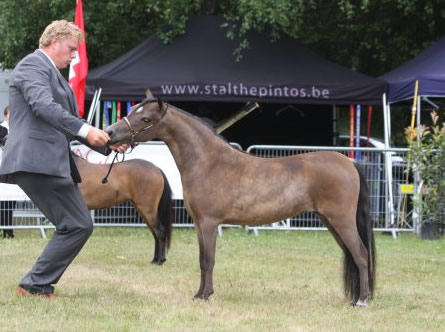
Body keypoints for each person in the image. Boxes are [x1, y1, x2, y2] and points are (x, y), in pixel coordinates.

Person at [0, 20, 128, 298]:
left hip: (44, 161)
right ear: (54, 39)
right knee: (76, 224)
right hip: (35, 160)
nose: (73, 56)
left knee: (78, 224)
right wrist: (86, 129)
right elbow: (43, 106)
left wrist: (106, 144)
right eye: (71, 49)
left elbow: (63, 121)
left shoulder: (49, 72)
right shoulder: (32, 66)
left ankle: (36, 284)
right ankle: (34, 285)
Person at [0, 106, 15, 238]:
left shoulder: (18, 129)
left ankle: (8, 229)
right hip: (2, 167)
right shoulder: (1, 128)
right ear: (5, 115)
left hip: (12, 169)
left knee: (10, 201)